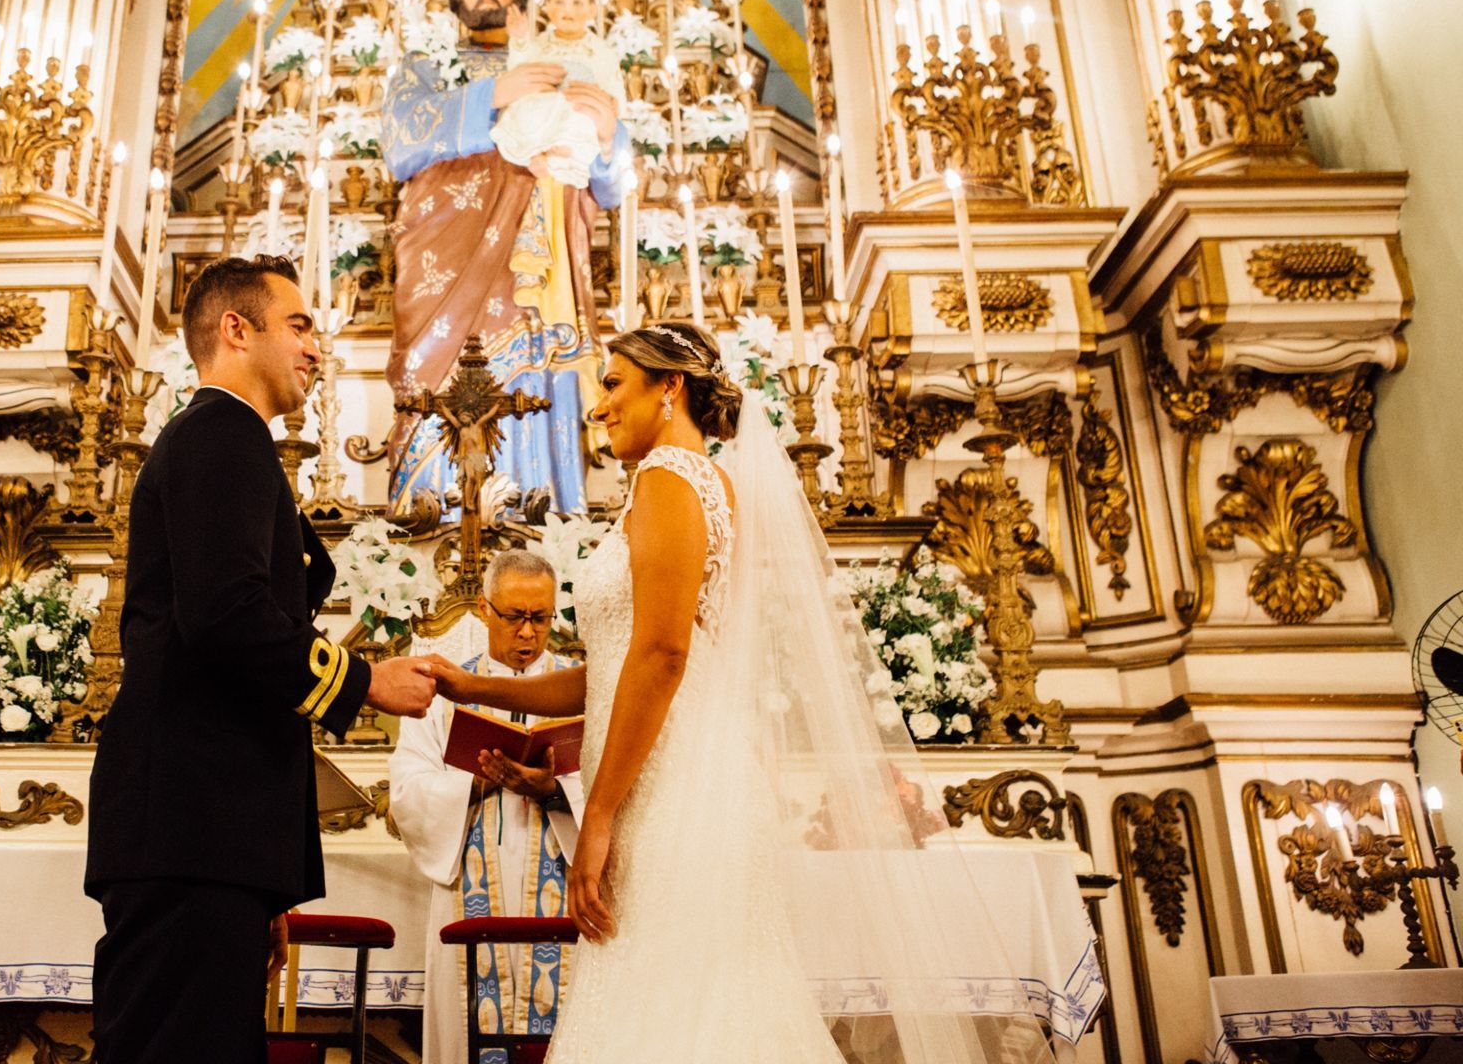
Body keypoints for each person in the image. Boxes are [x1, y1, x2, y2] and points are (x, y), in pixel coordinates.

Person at [427, 322, 1055, 1064]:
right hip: (685, 776)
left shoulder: (669, 479)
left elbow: (661, 658)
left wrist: (597, 815)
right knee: (702, 1002)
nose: (597, 407)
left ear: (671, 387)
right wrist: (469, 682)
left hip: (672, 792)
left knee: (670, 1010)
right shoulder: (682, 484)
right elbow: (620, 665)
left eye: (613, 384)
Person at [85, 255, 439, 1064]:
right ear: (236, 331)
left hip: (207, 835)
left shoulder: (224, 441)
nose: (317, 348)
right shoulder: (221, 437)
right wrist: (363, 681)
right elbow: (227, 618)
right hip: (190, 827)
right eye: (301, 325)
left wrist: (265, 874)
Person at [380, 0, 630, 519]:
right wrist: (496, 92)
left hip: (535, 255)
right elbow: (399, 139)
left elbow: (613, 182)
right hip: (446, 257)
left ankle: (546, 522)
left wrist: (606, 133)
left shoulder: (562, 59)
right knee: (438, 380)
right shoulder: (429, 64)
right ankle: (430, 518)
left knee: (537, 368)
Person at [389, 549, 586, 1064]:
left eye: (539, 618)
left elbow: (614, 786)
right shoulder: (442, 693)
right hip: (467, 891)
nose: (527, 634)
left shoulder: (581, 690)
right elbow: (407, 792)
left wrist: (551, 789)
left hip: (562, 890)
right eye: (514, 616)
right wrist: (477, 784)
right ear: (483, 608)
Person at [492, 0, 624, 190]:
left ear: (592, 9)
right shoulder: (541, 44)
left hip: (578, 106)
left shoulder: (600, 52)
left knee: (584, 119)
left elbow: (613, 91)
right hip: (544, 105)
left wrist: (610, 102)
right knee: (525, 108)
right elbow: (519, 70)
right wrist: (521, 40)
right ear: (548, 7)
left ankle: (561, 158)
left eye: (577, 3)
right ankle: (537, 151)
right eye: (560, 2)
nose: (567, 10)